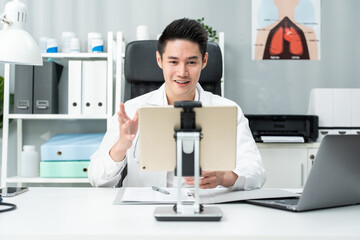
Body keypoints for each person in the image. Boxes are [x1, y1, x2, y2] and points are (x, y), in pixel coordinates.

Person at [88, 18, 266, 190]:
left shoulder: (229, 111)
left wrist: (225, 178)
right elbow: (97, 178)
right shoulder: (131, 111)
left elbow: (256, 173)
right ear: (160, 60)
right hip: (143, 213)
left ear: (204, 61)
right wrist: (121, 145)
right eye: (173, 62)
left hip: (206, 210)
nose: (182, 72)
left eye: (191, 62)